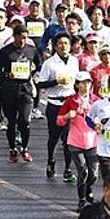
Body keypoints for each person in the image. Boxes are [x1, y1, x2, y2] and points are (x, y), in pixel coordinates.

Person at [0, 24, 42, 163]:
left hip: (25, 89)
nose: (22, 41)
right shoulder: (5, 52)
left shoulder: (32, 51)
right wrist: (7, 75)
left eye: (25, 38)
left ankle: (25, 148)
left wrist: (36, 75)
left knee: (25, 121)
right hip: (9, 89)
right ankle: (12, 149)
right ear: (14, 37)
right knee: (12, 122)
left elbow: (39, 66)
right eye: (20, 38)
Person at [38, 32, 79, 182]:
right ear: (55, 46)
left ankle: (68, 169)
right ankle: (50, 161)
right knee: (53, 136)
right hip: (55, 103)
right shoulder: (49, 63)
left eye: (66, 43)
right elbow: (41, 83)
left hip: (70, 102)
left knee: (68, 138)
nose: (64, 46)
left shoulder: (74, 61)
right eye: (60, 43)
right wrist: (56, 81)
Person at [57, 71, 101, 211]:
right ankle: (81, 200)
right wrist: (66, 117)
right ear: (76, 85)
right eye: (82, 83)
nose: (86, 85)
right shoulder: (70, 101)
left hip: (93, 141)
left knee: (94, 174)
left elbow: (105, 117)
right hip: (75, 141)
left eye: (88, 82)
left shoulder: (96, 100)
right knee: (83, 172)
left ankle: (88, 188)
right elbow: (58, 121)